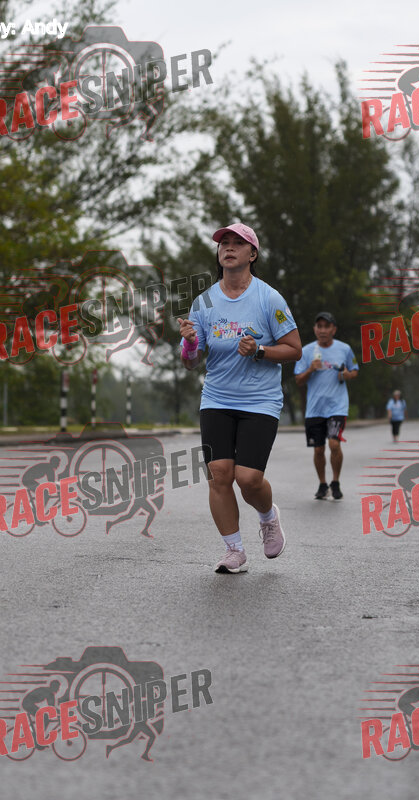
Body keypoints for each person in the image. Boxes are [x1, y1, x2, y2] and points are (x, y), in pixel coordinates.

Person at [178, 222, 302, 574]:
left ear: (253, 254)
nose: (228, 248)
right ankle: (234, 550)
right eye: (224, 243)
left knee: (248, 479)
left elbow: (294, 349)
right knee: (219, 475)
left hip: (260, 402)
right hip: (216, 399)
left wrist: (260, 351)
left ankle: (268, 516)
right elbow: (190, 362)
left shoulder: (268, 298)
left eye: (237, 243)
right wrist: (190, 342)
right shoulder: (204, 302)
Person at [294, 312, 358, 500]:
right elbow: (298, 380)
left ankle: (335, 482)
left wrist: (346, 374)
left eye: (326, 326)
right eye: (319, 326)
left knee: (334, 443)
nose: (322, 330)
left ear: (333, 329)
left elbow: (354, 370)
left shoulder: (345, 349)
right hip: (315, 409)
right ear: (315, 329)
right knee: (318, 449)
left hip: (337, 406)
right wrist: (311, 369)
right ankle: (323, 484)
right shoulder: (306, 351)